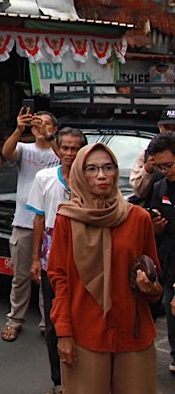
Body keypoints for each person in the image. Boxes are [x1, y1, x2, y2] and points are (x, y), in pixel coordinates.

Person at [47, 143, 163, 394]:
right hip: (85, 335)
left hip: (132, 332)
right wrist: (64, 333)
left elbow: (154, 280)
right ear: (79, 173)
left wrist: (152, 288)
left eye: (108, 168)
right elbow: (60, 280)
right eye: (92, 169)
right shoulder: (67, 219)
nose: (101, 175)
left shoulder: (138, 218)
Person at [26, 127, 86, 394]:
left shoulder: (92, 177)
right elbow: (38, 219)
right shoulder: (44, 177)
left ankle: (86, 374)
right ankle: (58, 380)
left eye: (76, 148)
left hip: (86, 259)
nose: (71, 153)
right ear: (58, 150)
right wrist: (36, 258)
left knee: (85, 321)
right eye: (66, 148)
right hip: (53, 258)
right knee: (55, 321)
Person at [0, 108, 60, 342]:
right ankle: (14, 320)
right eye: (37, 122)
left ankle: (48, 322)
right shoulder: (25, 149)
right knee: (21, 277)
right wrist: (19, 129)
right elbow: (6, 152)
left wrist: (49, 136)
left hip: (52, 225)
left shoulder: (58, 150)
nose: (40, 125)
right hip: (24, 223)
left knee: (49, 277)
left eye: (46, 123)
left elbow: (69, 160)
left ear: (54, 129)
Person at [141, 131, 175, 374]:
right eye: (161, 167)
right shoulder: (159, 187)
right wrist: (155, 228)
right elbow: (150, 220)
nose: (166, 171)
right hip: (168, 262)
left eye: (169, 165)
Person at [129, 105, 175, 203]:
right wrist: (147, 169)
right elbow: (138, 191)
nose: (171, 132)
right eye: (167, 127)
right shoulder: (148, 153)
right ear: (160, 127)